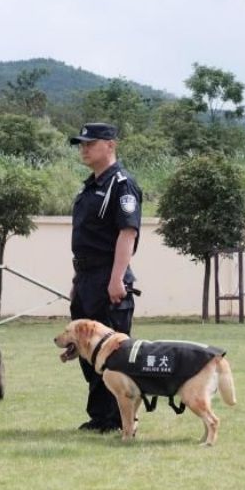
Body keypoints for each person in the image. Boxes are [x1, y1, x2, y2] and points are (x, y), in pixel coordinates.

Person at [69, 123, 142, 432]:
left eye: (91, 143)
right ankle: (100, 416)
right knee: (88, 351)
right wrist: (76, 282)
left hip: (108, 275)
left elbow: (127, 233)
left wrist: (116, 279)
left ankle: (116, 418)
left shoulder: (121, 185)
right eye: (81, 144)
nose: (84, 148)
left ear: (110, 145)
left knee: (110, 351)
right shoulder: (90, 185)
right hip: (86, 277)